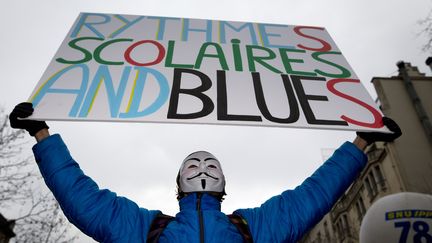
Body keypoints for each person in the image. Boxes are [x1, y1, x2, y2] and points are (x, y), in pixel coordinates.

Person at [9, 102, 402, 243]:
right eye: (193, 165)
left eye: (210, 164)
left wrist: (361, 143)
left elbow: (314, 194)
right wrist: (43, 134)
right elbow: (83, 199)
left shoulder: (252, 228)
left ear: (224, 184)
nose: (201, 168)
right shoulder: (147, 230)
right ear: (178, 185)